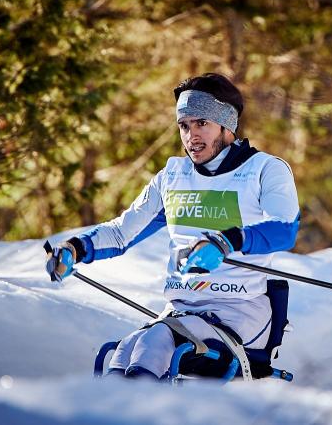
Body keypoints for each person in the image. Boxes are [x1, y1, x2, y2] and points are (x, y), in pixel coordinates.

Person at [46, 73, 300, 379]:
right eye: (184, 125)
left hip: (238, 312)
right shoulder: (173, 177)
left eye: (201, 123)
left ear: (227, 124)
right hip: (181, 311)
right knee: (124, 350)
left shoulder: (265, 169)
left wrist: (226, 242)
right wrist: (76, 248)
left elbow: (284, 229)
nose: (191, 135)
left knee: (155, 342)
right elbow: (121, 232)